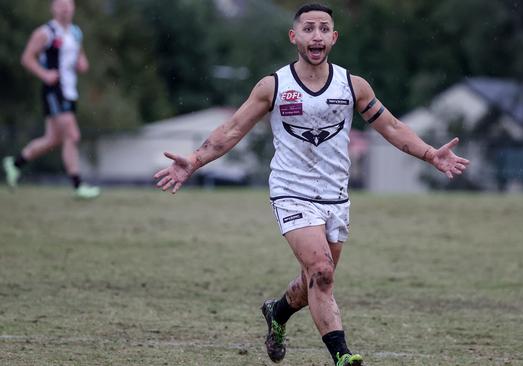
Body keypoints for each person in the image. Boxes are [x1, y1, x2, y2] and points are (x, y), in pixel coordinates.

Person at [153, 3, 469, 365]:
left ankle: (278, 313)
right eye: (308, 29)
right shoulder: (273, 86)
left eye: (323, 29)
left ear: (333, 38)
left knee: (313, 281)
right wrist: (193, 161)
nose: (316, 35)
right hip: (290, 192)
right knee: (322, 271)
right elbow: (232, 130)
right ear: (294, 37)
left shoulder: (353, 86)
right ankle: (342, 356)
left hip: (336, 196)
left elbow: (393, 128)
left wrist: (432, 154)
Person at [3, 0, 100, 199]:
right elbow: (27, 58)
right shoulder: (45, 33)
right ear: (53, 8)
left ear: (73, 7)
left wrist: (82, 64)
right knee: (72, 136)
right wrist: (45, 74)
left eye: (68, 5)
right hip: (54, 91)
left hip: (70, 92)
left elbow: (81, 60)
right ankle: (78, 186)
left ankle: (15, 163)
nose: (65, 9)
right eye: (61, 5)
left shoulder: (75, 32)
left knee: (52, 139)